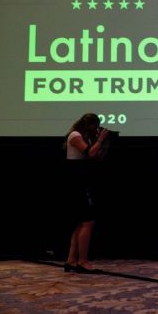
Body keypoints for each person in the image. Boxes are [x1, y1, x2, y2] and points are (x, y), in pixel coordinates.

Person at [63, 113, 109, 273]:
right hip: (77, 183)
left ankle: (71, 260)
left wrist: (104, 143)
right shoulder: (76, 136)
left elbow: (97, 157)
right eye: (95, 127)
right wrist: (100, 139)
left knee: (80, 222)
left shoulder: (85, 137)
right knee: (87, 222)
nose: (96, 130)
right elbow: (89, 153)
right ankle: (82, 261)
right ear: (88, 125)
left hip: (82, 181)